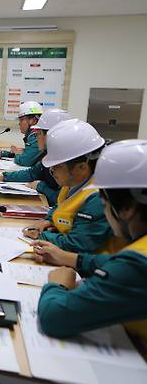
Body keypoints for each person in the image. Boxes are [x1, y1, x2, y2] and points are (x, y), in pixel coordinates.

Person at [31, 140, 147, 345]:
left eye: (104, 205)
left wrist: (57, 285)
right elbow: (115, 264)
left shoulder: (136, 265)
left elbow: (55, 317)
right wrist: (73, 259)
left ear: (127, 208)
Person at [23, 119, 112, 253]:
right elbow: (61, 205)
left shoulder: (97, 198)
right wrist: (48, 221)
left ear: (81, 167)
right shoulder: (73, 181)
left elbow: (76, 244)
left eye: (56, 166)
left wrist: (41, 236)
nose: (51, 171)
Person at [0, 108, 72, 205]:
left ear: (52, 136)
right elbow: (32, 173)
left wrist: (40, 186)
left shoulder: (67, 163)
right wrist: (2, 176)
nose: (36, 137)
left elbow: (63, 201)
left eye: (39, 133)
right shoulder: (49, 156)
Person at [0, 101, 43, 166]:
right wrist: (3, 153)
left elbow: (25, 161)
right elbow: (26, 154)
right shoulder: (33, 134)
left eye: (21, 120)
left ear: (33, 120)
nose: (19, 123)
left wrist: (17, 153)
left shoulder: (37, 136)